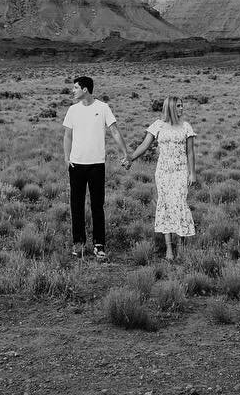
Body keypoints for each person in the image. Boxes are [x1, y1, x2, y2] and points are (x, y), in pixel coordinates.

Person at [62, 75, 129, 261]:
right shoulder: (72, 110)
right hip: (76, 165)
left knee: (97, 206)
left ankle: (99, 245)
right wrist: (67, 159)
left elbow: (114, 130)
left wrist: (126, 153)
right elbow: (67, 135)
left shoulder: (103, 108)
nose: (73, 91)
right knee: (76, 205)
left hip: (97, 165)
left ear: (85, 90)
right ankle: (79, 243)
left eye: (75, 88)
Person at [127, 96, 197, 262]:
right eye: (179, 106)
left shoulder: (186, 126)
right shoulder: (158, 125)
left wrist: (192, 173)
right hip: (163, 172)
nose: (182, 108)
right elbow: (144, 146)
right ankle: (169, 250)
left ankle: (181, 247)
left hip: (180, 171)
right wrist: (131, 158)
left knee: (180, 204)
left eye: (182, 105)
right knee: (165, 205)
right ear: (171, 107)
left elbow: (190, 152)